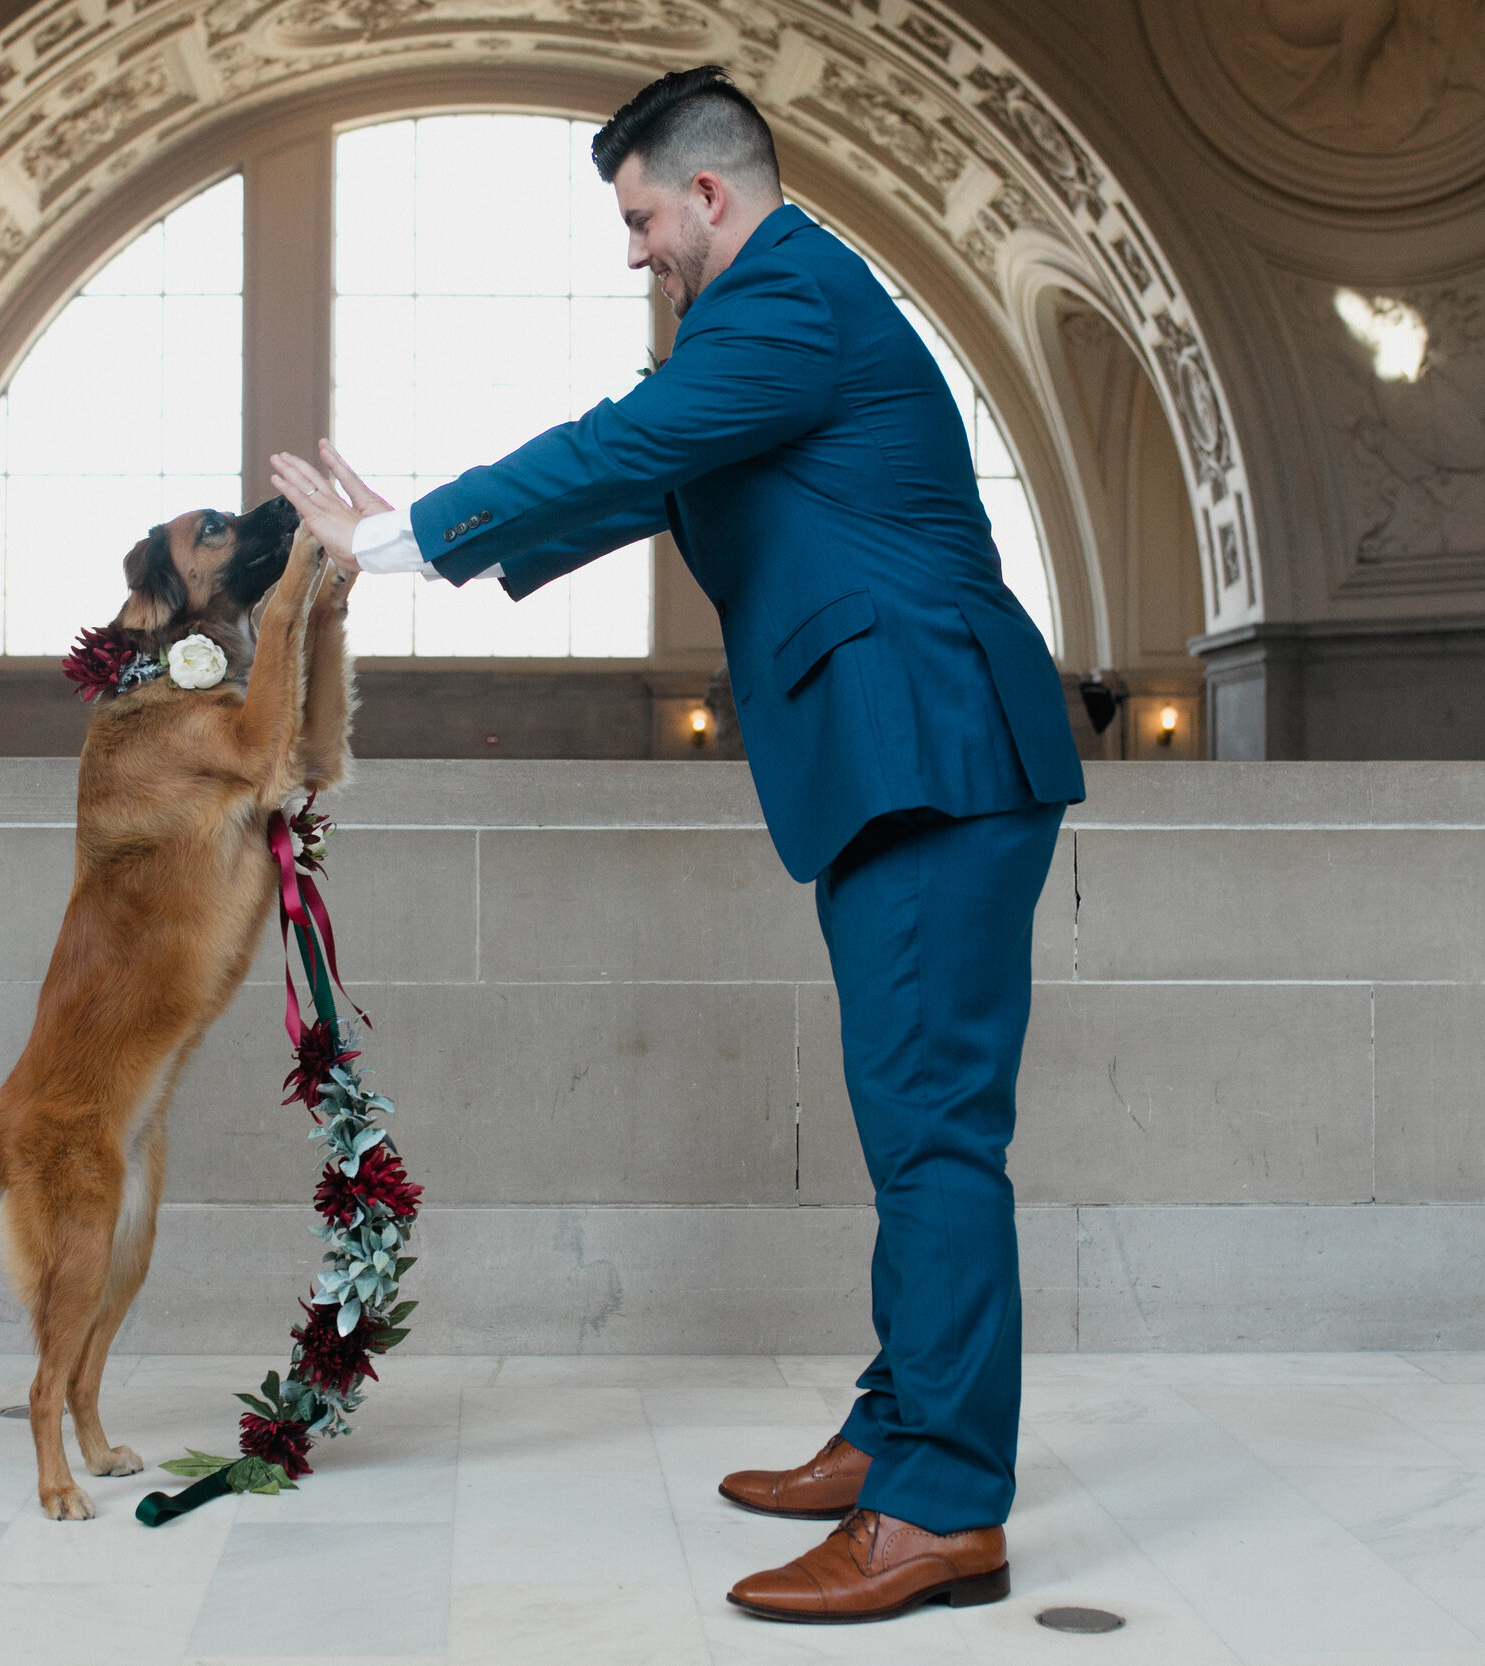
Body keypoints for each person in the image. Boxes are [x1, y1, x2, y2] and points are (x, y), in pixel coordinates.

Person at [270, 64, 1082, 1625]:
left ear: (710, 192)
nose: (632, 247)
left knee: (933, 1136)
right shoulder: (765, 321)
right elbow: (650, 467)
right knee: (912, 1122)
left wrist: (401, 536)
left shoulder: (790, 298)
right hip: (902, 756)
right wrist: (436, 521)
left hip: (935, 751)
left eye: (641, 215)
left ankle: (942, 1508)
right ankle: (898, 1430)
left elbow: (631, 441)